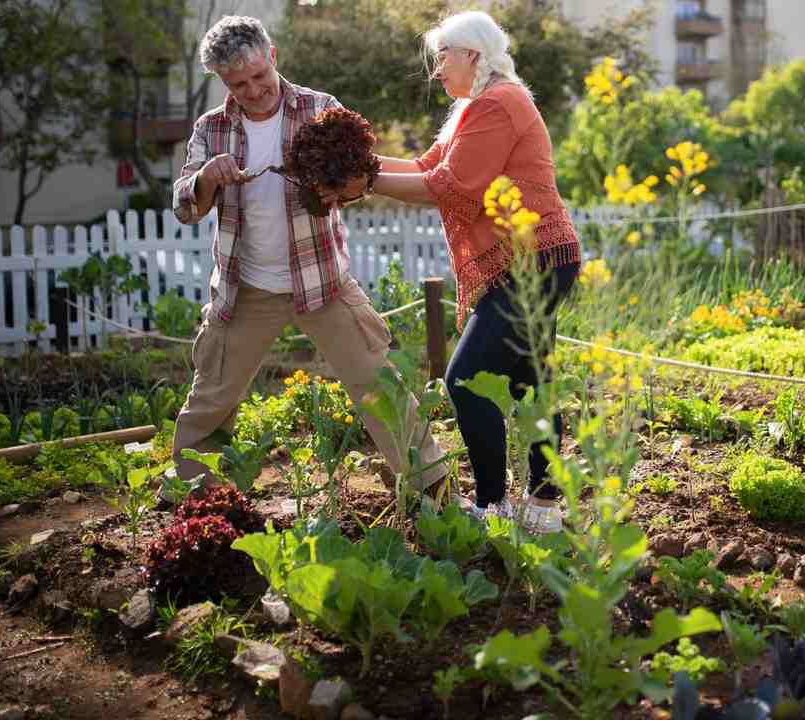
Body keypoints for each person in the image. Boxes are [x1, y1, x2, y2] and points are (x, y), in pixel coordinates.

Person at [323, 11, 580, 533]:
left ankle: (494, 505)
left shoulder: (500, 102)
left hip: (533, 261)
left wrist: (363, 181)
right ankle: (544, 506)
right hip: (532, 260)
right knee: (533, 381)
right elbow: (425, 168)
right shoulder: (475, 108)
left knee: (465, 380)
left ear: (473, 55)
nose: (438, 69)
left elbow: (452, 185)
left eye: (444, 56)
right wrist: (357, 162)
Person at [170, 15, 447, 497]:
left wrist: (342, 185)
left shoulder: (321, 110)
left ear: (273, 57)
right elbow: (185, 208)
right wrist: (205, 179)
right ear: (222, 81)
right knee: (210, 399)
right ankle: (193, 504)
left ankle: (434, 492)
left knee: (381, 387)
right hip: (246, 288)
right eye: (239, 84)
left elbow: (360, 181)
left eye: (260, 76)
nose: (254, 90)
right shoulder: (210, 129)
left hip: (323, 283)